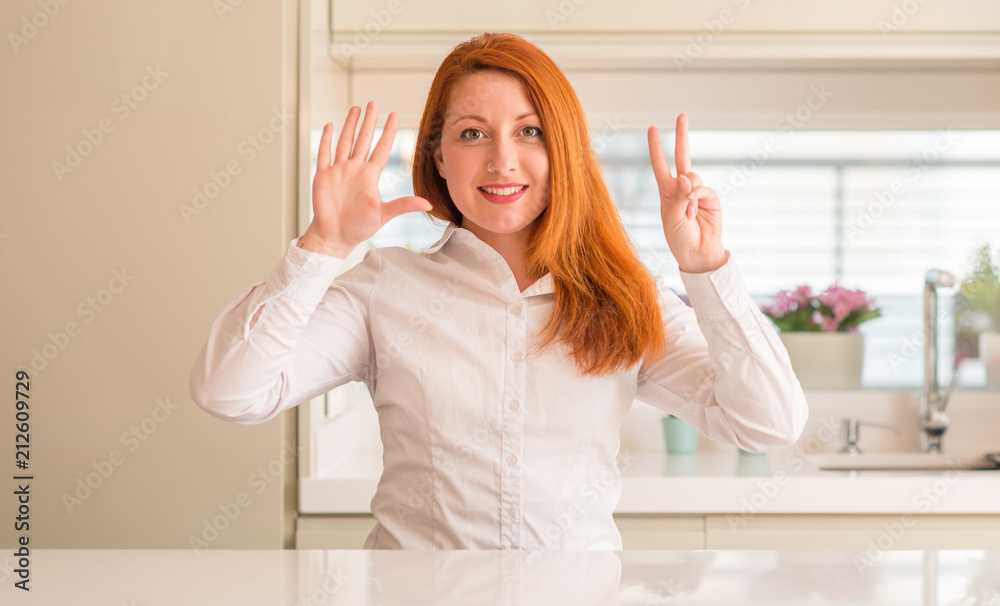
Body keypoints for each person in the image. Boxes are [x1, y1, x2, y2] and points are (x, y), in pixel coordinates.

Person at [189, 32, 808, 550]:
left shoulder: (622, 295)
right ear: (437, 158)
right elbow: (229, 392)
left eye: (530, 132)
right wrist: (321, 246)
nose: (503, 161)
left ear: (562, 150)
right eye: (472, 134)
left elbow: (769, 422)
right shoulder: (385, 286)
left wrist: (707, 268)